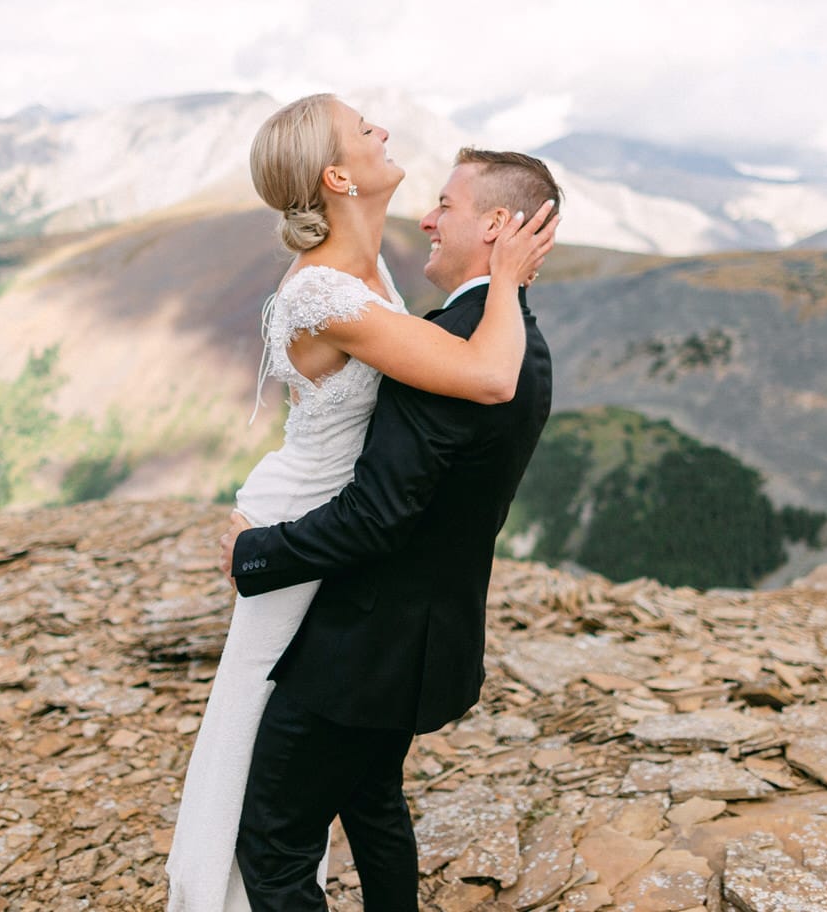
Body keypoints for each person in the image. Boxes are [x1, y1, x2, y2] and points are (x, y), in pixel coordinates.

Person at [164, 94, 557, 912]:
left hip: (346, 560)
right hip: (306, 521)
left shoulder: (377, 276)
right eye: (363, 128)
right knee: (257, 765)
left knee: (327, 794)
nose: (383, 127)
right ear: (338, 174)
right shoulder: (329, 295)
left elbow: (477, 380)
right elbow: (479, 380)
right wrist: (510, 282)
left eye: (445, 205)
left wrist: (503, 283)